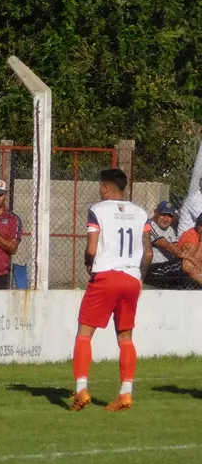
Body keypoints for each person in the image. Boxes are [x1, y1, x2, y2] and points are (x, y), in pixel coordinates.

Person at [70, 169, 151, 412]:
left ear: (105, 187)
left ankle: (81, 389)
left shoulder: (98, 209)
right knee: (125, 337)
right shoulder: (140, 212)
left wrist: (88, 263)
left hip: (106, 276)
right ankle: (125, 393)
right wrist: (140, 277)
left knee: (84, 333)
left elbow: (92, 248)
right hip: (131, 278)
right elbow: (148, 252)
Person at [143, 201, 187, 288]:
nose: (166, 219)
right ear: (156, 213)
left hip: (168, 266)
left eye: (170, 216)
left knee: (184, 269)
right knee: (184, 265)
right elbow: (167, 246)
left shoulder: (170, 229)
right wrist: (188, 257)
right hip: (153, 269)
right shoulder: (149, 225)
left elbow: (176, 247)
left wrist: (184, 253)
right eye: (163, 214)